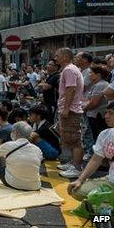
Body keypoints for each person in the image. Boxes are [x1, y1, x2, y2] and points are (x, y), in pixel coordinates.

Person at [68, 104, 114, 201]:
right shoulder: (105, 134)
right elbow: (95, 160)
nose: (106, 116)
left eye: (111, 113)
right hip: (111, 181)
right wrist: (80, 180)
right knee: (76, 191)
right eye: (106, 112)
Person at [55, 48, 85, 179]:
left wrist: (66, 108)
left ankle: (77, 167)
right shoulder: (70, 69)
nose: (55, 58)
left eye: (57, 55)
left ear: (66, 56)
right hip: (71, 109)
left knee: (75, 139)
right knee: (70, 138)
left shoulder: (69, 70)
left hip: (71, 110)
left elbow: (71, 89)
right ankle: (73, 163)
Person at [0, 121, 43, 191]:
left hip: (13, 184)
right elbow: (39, 160)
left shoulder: (9, 145)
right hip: (35, 186)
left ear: (15, 132)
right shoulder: (37, 149)